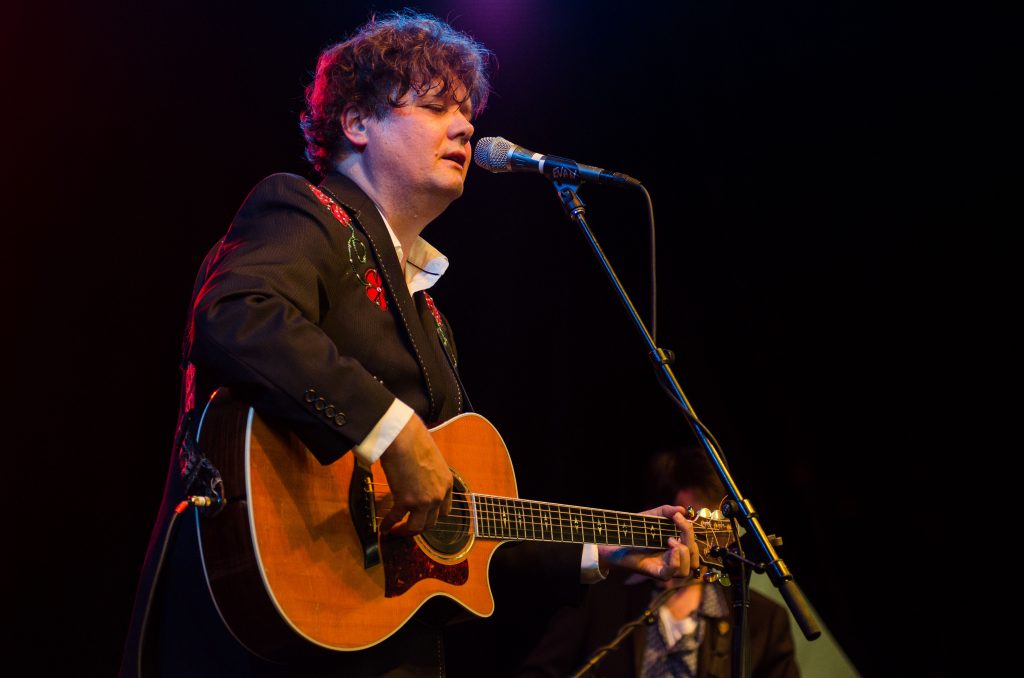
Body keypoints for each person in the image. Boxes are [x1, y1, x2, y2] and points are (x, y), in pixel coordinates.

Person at [119, 11, 699, 678]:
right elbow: (237, 313)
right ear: (357, 123)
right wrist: (393, 432)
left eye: (466, 112)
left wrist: (609, 550)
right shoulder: (304, 211)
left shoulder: (432, 317)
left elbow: (460, 533)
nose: (466, 127)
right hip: (267, 642)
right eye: (435, 106)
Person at [515, 447, 800, 678]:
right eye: (690, 521)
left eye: (709, 525)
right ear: (663, 521)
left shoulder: (763, 621)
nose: (700, 539)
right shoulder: (600, 596)